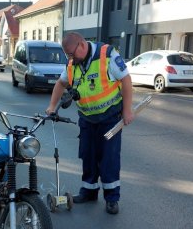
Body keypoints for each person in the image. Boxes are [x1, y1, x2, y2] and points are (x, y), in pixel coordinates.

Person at [46, 32, 135, 214]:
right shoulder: (72, 63)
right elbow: (60, 83)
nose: (70, 58)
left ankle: (111, 198)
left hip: (110, 117)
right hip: (87, 119)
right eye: (67, 55)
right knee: (88, 155)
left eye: (72, 54)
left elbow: (126, 80)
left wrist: (127, 110)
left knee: (109, 158)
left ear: (82, 44)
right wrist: (52, 106)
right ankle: (89, 191)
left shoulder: (107, 55)